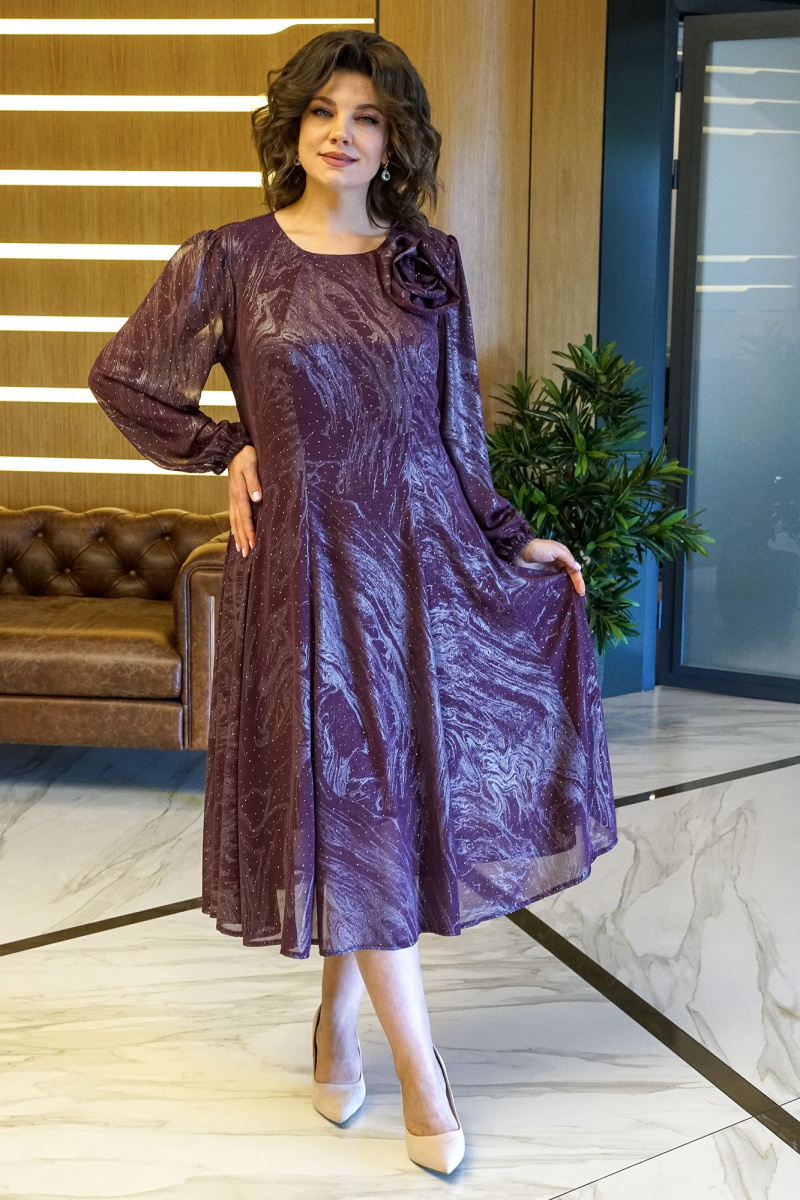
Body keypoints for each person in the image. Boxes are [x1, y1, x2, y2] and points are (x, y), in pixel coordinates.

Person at [88, 29, 616, 1176]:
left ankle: (335, 1018)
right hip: (308, 567)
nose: (341, 131)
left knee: (373, 803)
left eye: (366, 116)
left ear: (394, 140)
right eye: (323, 110)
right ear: (292, 129)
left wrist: (510, 537)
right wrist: (228, 446)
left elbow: (455, 431)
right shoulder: (229, 259)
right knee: (356, 794)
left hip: (419, 562)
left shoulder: (427, 261)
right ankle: (423, 1078)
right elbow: (124, 377)